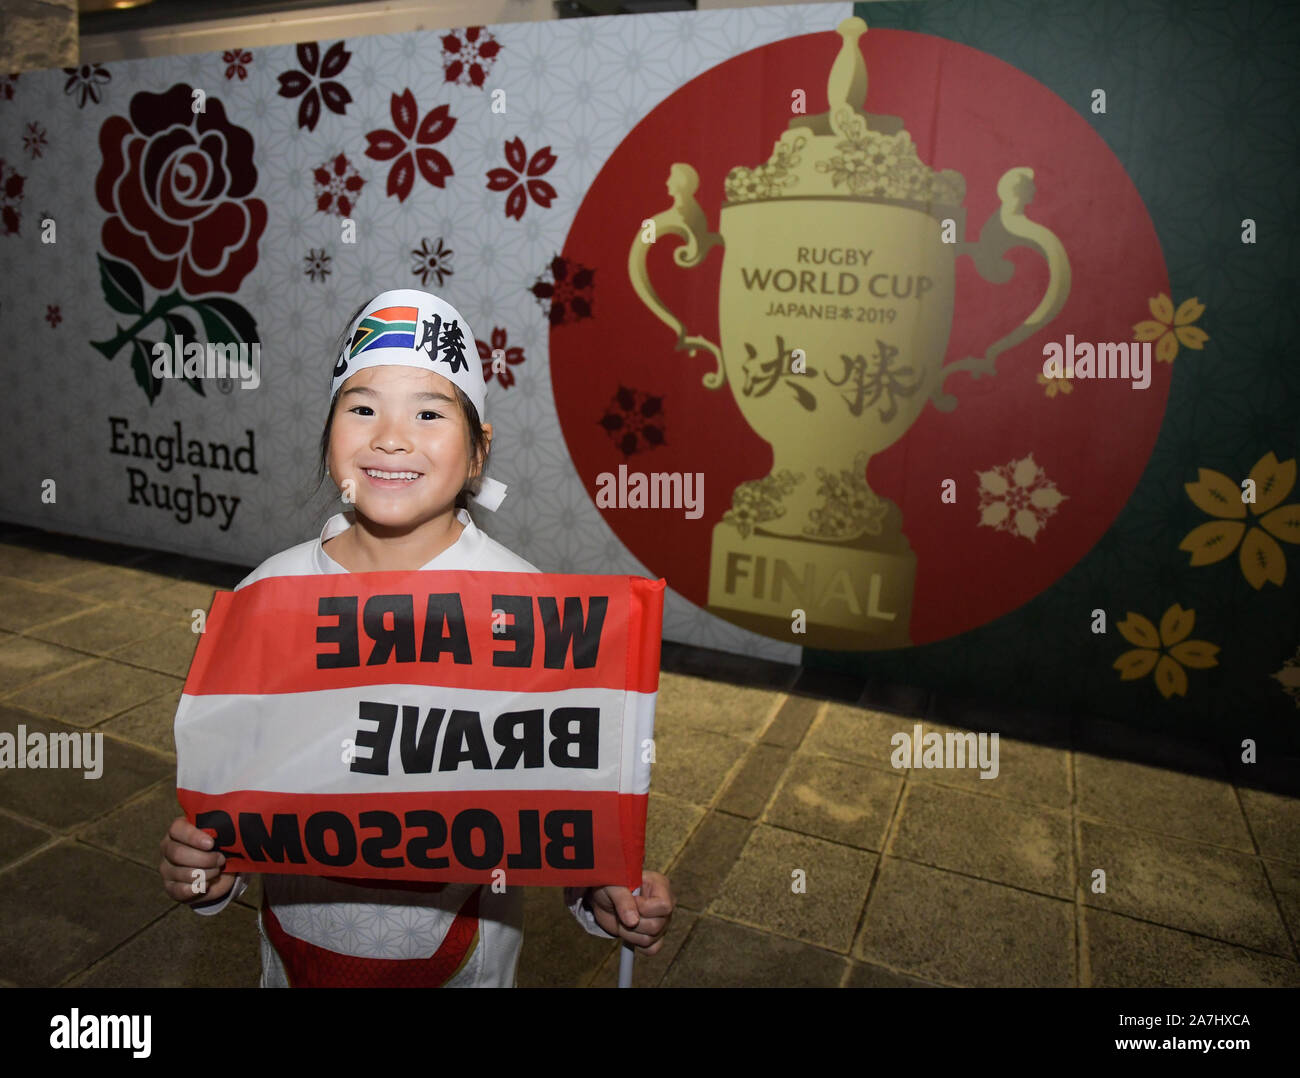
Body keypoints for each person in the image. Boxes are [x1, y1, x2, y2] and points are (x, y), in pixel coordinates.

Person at [158, 288, 674, 987]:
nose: (391, 437)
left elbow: (552, 807)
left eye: (429, 413)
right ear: (328, 432)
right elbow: (240, 810)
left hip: (464, 965)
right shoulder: (266, 602)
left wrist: (603, 890)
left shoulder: (525, 611)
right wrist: (207, 875)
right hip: (295, 954)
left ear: (476, 453)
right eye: (362, 408)